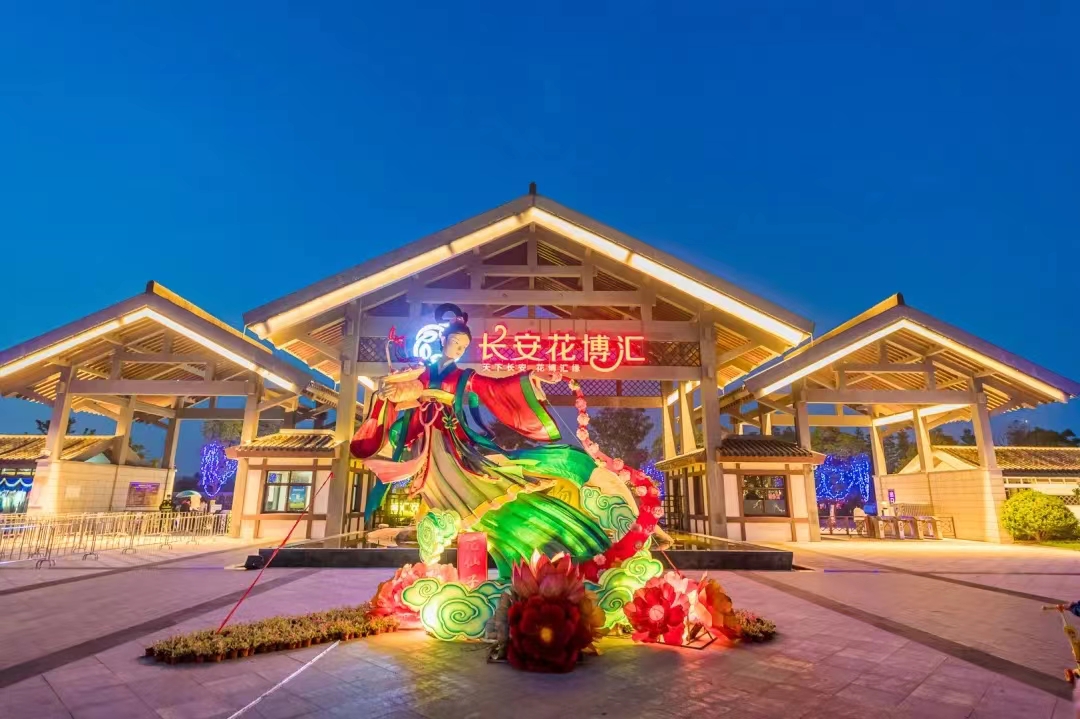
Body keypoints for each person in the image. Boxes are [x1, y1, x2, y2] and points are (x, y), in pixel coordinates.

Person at [351, 304, 637, 576]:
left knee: (480, 482)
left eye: (463, 346)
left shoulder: (463, 376)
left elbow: (495, 386)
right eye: (455, 343)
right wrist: (391, 392)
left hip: (452, 441)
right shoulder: (423, 372)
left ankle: (541, 538)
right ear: (443, 340)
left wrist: (531, 375)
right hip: (428, 439)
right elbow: (407, 389)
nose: (459, 349)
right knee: (440, 492)